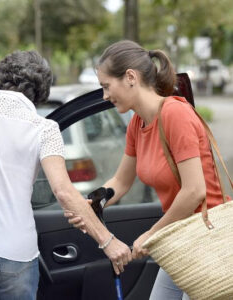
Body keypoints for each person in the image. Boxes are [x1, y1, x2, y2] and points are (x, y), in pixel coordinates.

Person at [0, 50, 132, 300]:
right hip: (12, 255)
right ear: (41, 91)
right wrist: (107, 241)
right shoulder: (45, 130)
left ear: (0, 77)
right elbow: (63, 192)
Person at [66, 40, 224, 300]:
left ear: (130, 77)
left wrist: (152, 234)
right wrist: (93, 204)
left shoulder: (175, 114)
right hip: (177, 239)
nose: (105, 95)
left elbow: (195, 191)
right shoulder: (137, 124)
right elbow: (121, 181)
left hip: (207, 239)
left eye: (106, 86)